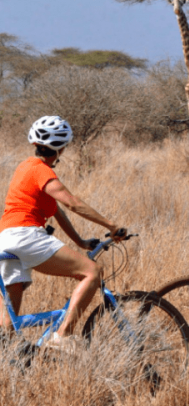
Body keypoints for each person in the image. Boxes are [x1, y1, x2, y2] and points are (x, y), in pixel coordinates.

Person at [0, 116, 126, 349]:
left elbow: (57, 211)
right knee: (93, 272)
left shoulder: (25, 167)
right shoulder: (41, 170)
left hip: (6, 238)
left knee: (8, 325)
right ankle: (63, 336)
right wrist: (112, 226)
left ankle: (14, 361)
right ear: (61, 148)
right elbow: (71, 203)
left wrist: (80, 241)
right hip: (26, 235)